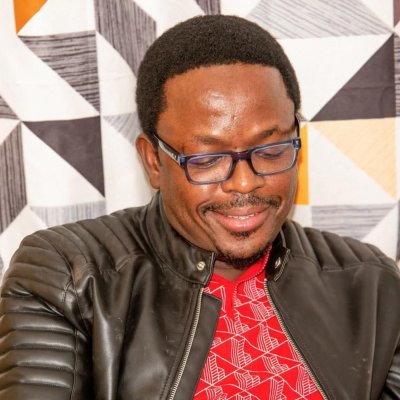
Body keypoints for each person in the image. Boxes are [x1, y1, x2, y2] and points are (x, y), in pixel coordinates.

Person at [0, 15, 399, 400]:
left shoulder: (370, 284)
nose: (244, 183)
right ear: (153, 162)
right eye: (207, 159)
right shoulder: (69, 275)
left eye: (271, 150)